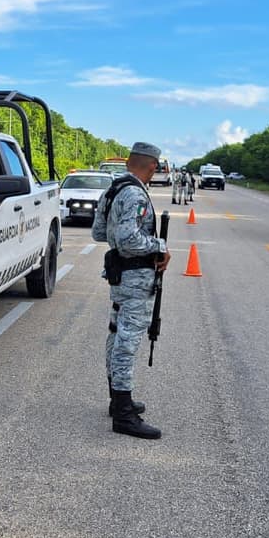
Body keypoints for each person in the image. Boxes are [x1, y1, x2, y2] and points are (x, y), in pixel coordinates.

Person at [91, 142, 171, 439]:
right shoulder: (136, 193)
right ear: (152, 166)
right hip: (136, 276)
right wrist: (159, 246)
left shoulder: (113, 189)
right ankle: (124, 415)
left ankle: (118, 399)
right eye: (155, 169)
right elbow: (128, 239)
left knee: (116, 332)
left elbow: (99, 232)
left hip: (119, 275)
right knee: (128, 340)